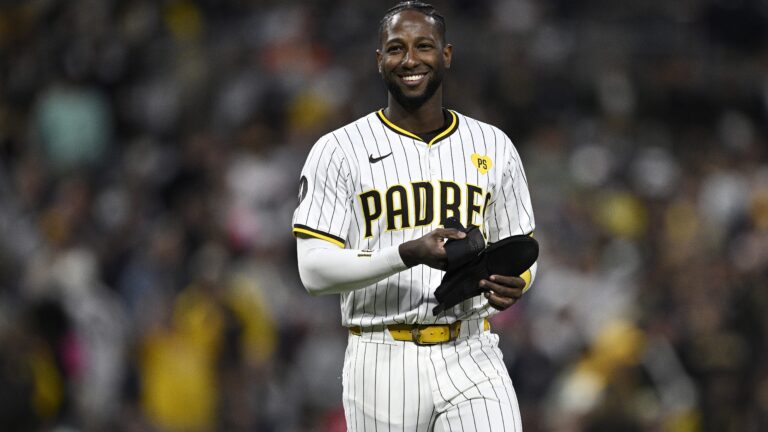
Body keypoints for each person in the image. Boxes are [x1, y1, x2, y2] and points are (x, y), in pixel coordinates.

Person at [292, 2, 537, 430]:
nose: (410, 60)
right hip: (381, 356)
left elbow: (522, 248)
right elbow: (314, 272)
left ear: (446, 55)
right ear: (378, 60)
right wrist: (407, 252)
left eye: (424, 46)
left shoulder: (494, 145)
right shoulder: (338, 150)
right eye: (396, 48)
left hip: (471, 348)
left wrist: (516, 282)